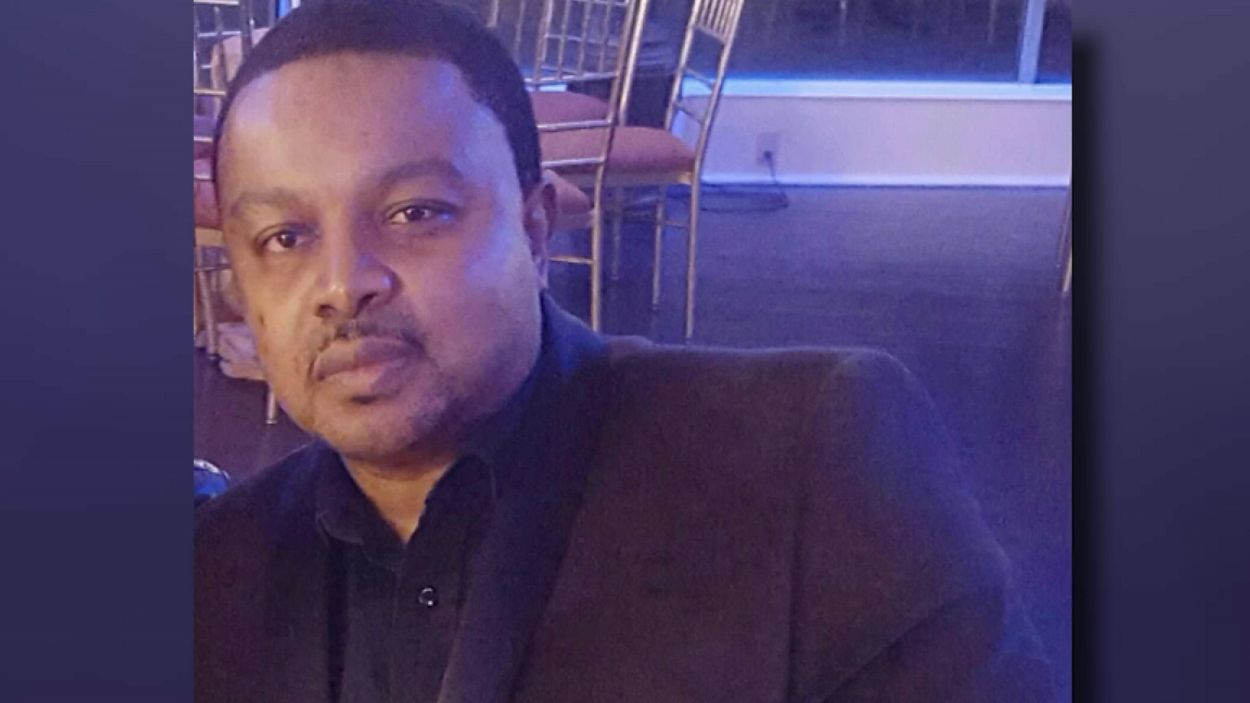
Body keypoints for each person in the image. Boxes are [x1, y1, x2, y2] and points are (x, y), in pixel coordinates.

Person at [194, 1, 1054, 701]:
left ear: (536, 230)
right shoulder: (215, 566)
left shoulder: (810, 464)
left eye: (416, 213)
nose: (343, 283)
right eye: (284, 237)